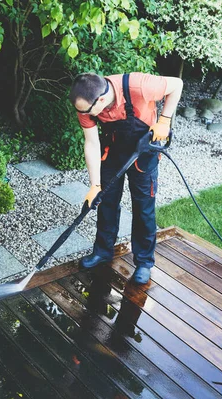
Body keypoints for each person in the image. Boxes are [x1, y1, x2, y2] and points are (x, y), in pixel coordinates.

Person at [69, 72, 183, 284]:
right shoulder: (85, 105)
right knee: (106, 202)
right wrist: (95, 185)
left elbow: (177, 85)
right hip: (113, 151)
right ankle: (103, 251)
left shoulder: (140, 86)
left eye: (86, 111)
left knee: (143, 208)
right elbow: (92, 143)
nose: (83, 115)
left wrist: (165, 121)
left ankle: (144, 262)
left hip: (144, 153)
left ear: (101, 100)